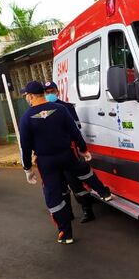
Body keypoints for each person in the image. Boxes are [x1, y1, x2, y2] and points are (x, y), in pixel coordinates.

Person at [19, 82, 111, 244]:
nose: (27, 98)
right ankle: (104, 193)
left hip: (46, 161)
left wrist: (27, 168)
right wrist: (83, 149)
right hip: (66, 154)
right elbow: (74, 131)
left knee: (53, 195)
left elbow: (25, 146)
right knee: (83, 171)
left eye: (26, 95)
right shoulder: (60, 110)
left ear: (31, 96)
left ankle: (66, 233)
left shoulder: (26, 118)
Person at [44, 81, 110, 223]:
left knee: (75, 182)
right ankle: (67, 214)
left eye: (51, 91)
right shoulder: (43, 111)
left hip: (68, 150)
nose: (49, 94)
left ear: (57, 91)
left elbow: (76, 127)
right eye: (47, 92)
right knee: (61, 187)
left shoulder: (66, 107)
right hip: (52, 155)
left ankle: (87, 210)